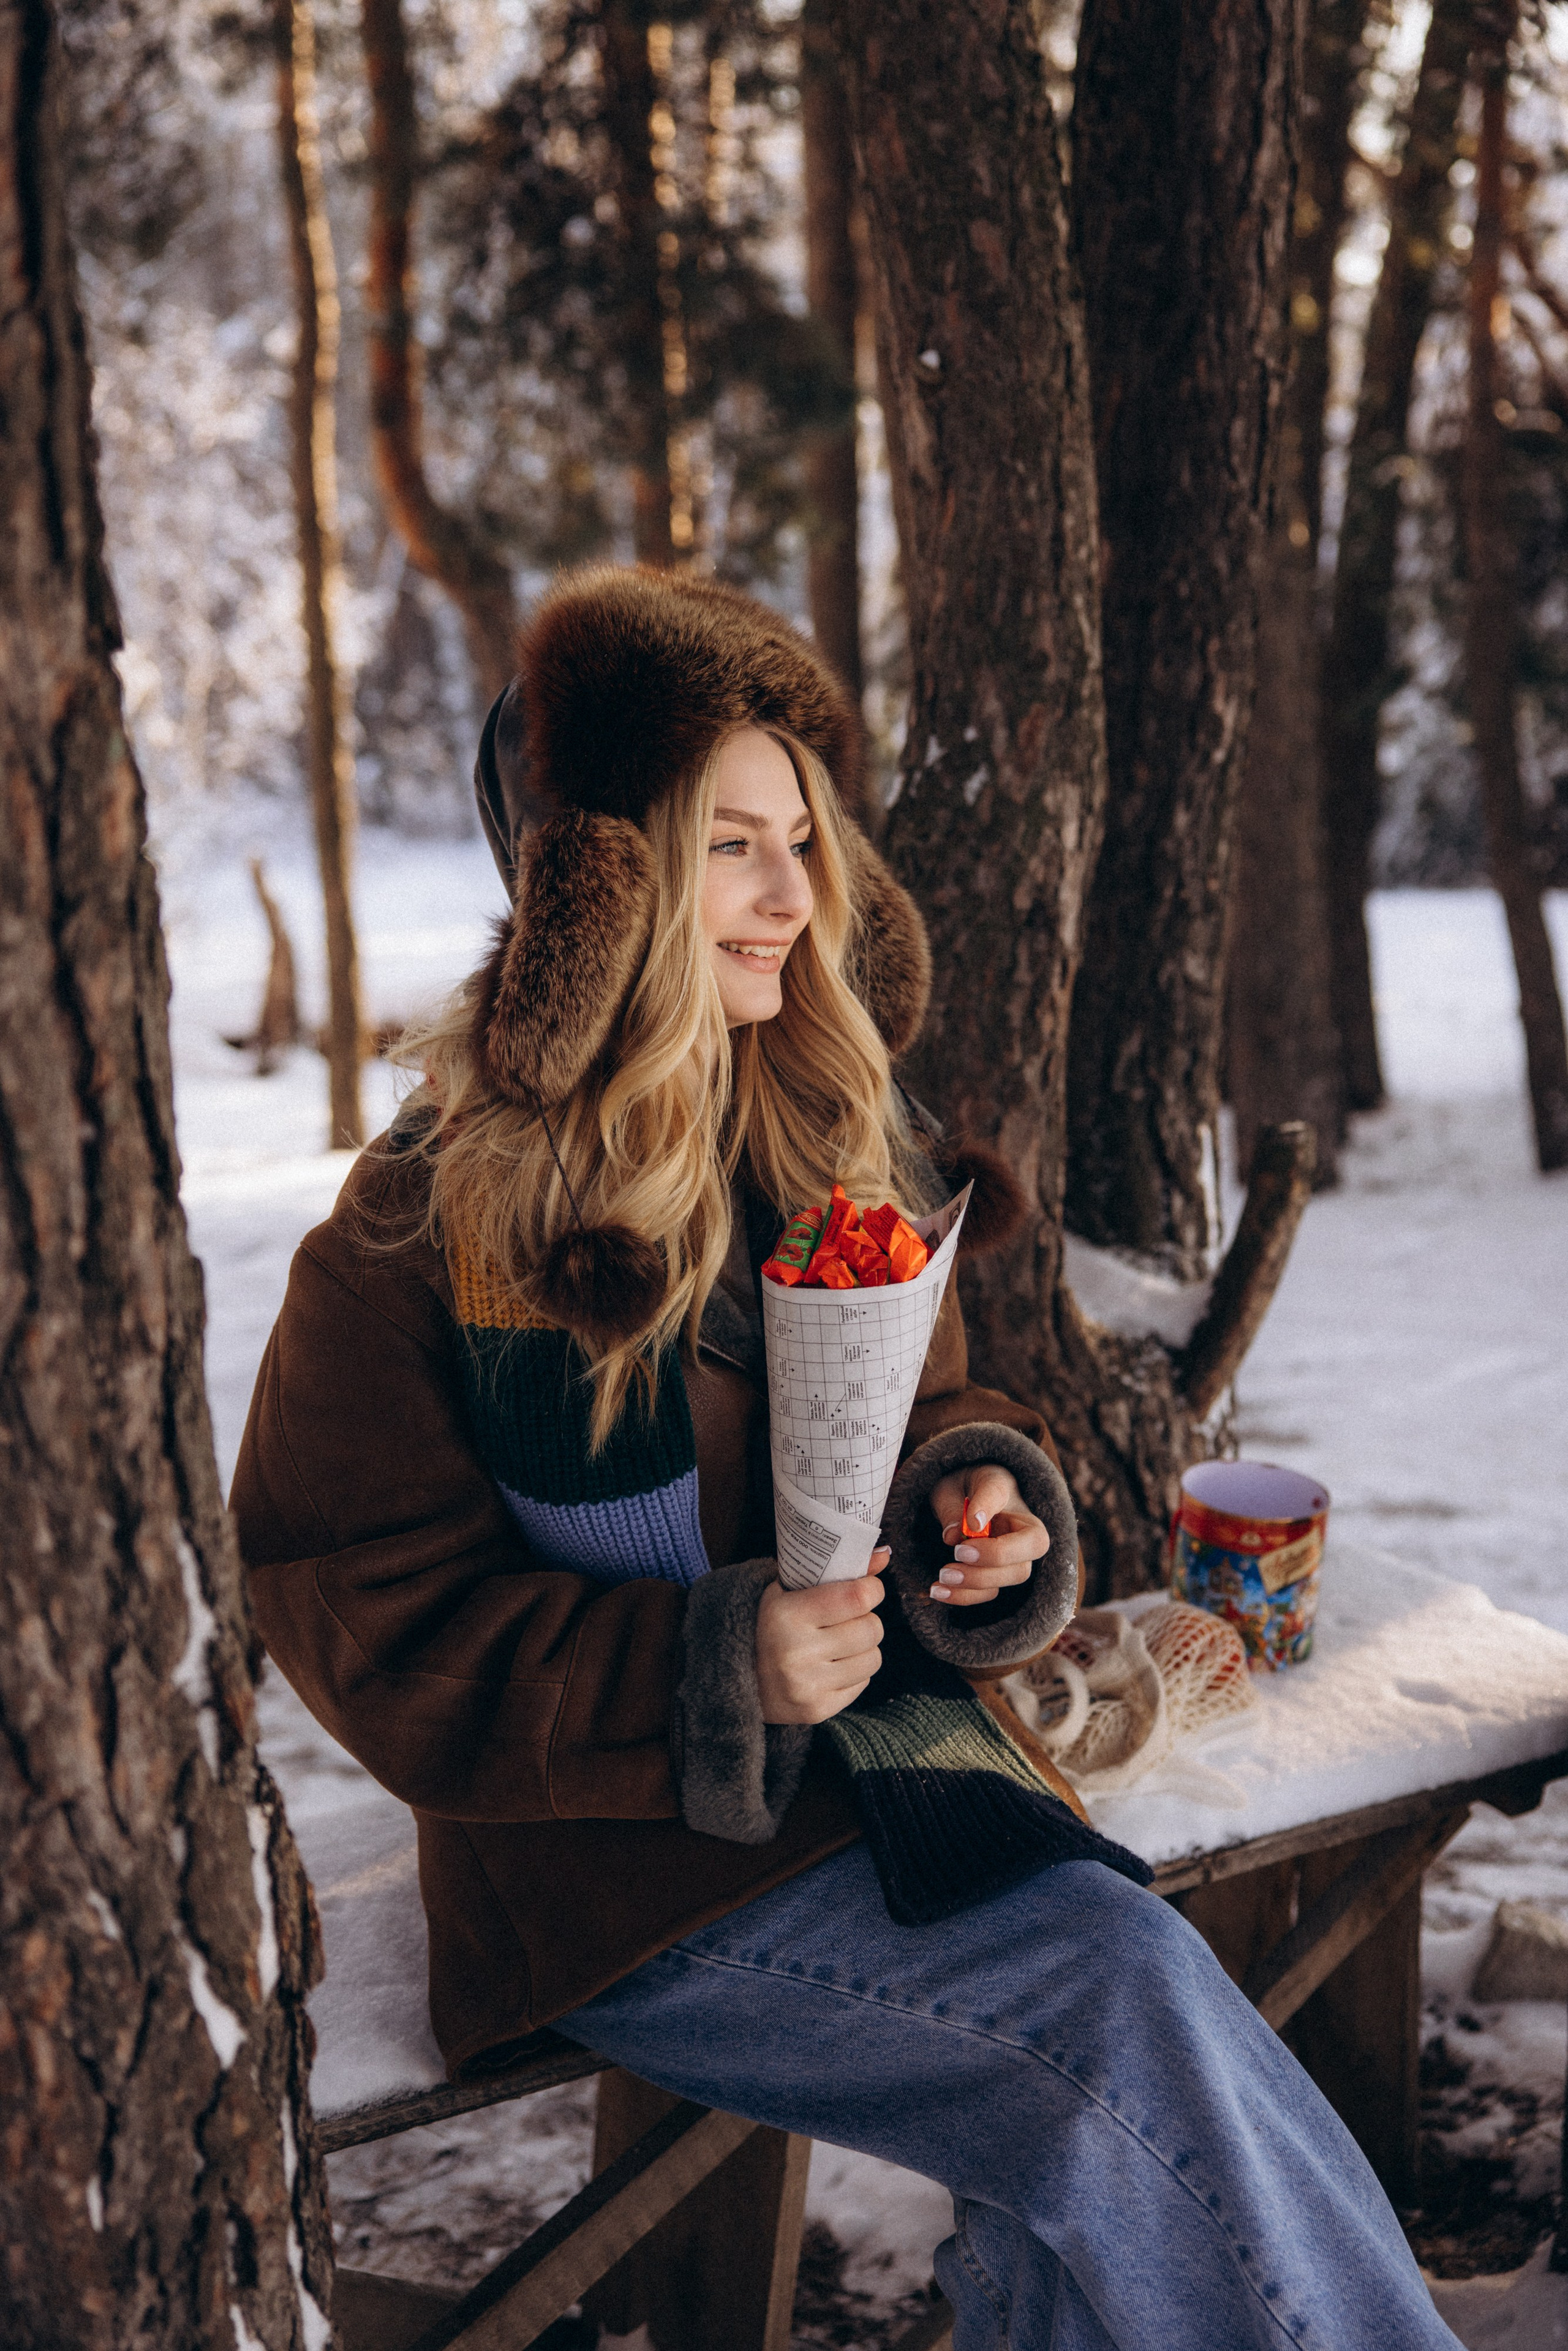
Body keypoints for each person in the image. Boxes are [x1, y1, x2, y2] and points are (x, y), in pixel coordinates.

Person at [233, 568, 1458, 2350]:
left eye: (805, 842)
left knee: (1113, 2114)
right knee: (1115, 2023)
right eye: (733, 846)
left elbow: (929, 1413)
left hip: (893, 1770)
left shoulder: (818, 1122)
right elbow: (355, 1611)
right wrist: (710, 1660)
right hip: (610, 1875)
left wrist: (977, 1506)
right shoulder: (428, 1220)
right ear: (603, 885)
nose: (794, 897)